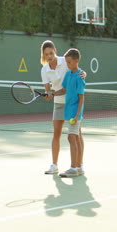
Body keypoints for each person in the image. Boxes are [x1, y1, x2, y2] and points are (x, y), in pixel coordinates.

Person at [40, 41, 85, 175]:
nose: (49, 56)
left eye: (51, 53)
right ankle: (54, 165)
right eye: (46, 54)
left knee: (76, 136)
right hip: (59, 103)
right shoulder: (44, 70)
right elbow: (49, 90)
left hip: (72, 104)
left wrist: (84, 73)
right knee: (56, 134)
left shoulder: (65, 61)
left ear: (55, 50)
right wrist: (49, 95)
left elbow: (77, 70)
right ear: (43, 55)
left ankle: (79, 165)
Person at [52, 48, 85, 177]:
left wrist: (77, 116)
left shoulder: (80, 77)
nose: (67, 64)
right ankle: (78, 168)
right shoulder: (68, 74)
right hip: (68, 111)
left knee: (71, 138)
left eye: (70, 62)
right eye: (66, 62)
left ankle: (74, 168)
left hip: (75, 113)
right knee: (74, 138)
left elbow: (82, 98)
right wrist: (52, 94)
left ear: (76, 61)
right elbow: (63, 90)